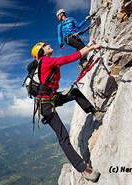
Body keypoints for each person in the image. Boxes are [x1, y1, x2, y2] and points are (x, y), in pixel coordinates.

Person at [31, 38, 101, 182]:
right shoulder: (46, 61)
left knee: (74, 93)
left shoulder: (45, 63)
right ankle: (83, 169)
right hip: (46, 105)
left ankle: (95, 112)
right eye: (45, 45)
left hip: (51, 98)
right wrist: (91, 49)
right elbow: (69, 58)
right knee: (63, 136)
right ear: (42, 52)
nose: (49, 45)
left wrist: (88, 45)